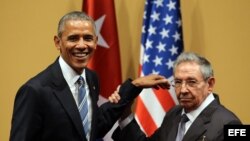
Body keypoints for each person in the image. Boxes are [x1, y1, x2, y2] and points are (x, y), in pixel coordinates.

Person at [9, 11, 170, 141]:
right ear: (58, 42)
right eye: (73, 38)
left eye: (87, 38)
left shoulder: (92, 79)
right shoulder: (34, 91)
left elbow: (90, 128)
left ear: (96, 41)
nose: (81, 45)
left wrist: (134, 86)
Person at [109, 52, 242, 141]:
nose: (183, 90)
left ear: (210, 84)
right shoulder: (174, 114)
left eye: (191, 82)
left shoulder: (231, 124)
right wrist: (125, 113)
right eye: (178, 82)